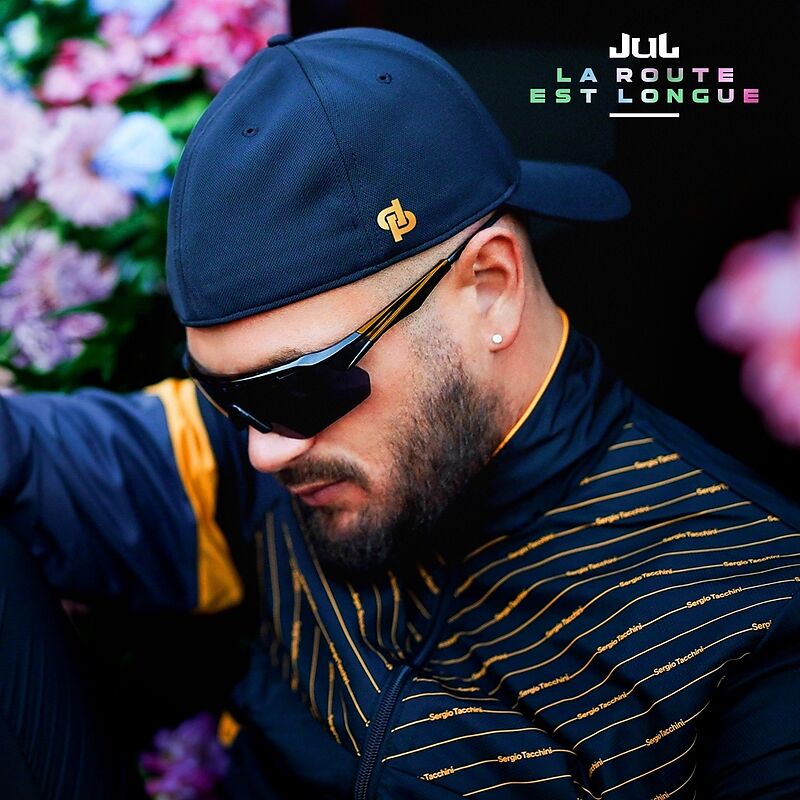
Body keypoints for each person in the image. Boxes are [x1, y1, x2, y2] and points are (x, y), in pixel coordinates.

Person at [1, 25, 799, 800]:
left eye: (298, 386)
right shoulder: (276, 452)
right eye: (226, 394)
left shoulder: (747, 620)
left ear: (490, 288)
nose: (265, 452)